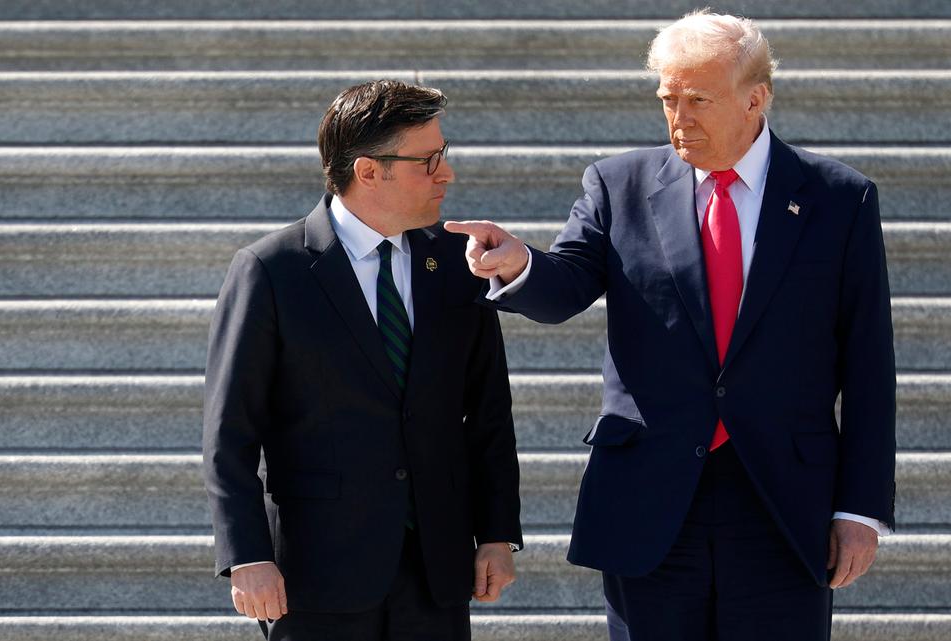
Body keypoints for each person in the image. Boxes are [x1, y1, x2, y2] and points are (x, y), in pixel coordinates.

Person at [445, 11, 896, 641]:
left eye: (698, 99)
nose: (679, 116)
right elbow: (565, 286)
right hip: (649, 500)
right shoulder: (617, 183)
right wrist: (520, 265)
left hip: (782, 504)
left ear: (755, 98)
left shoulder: (839, 198)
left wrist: (861, 508)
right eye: (667, 98)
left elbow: (869, 364)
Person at [202, 79, 523, 641]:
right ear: (369, 171)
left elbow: (489, 413)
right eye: (429, 161)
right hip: (315, 575)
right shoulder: (272, 269)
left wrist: (496, 533)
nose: (445, 174)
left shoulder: (457, 263)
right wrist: (246, 555)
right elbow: (230, 432)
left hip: (436, 572)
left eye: (442, 156)